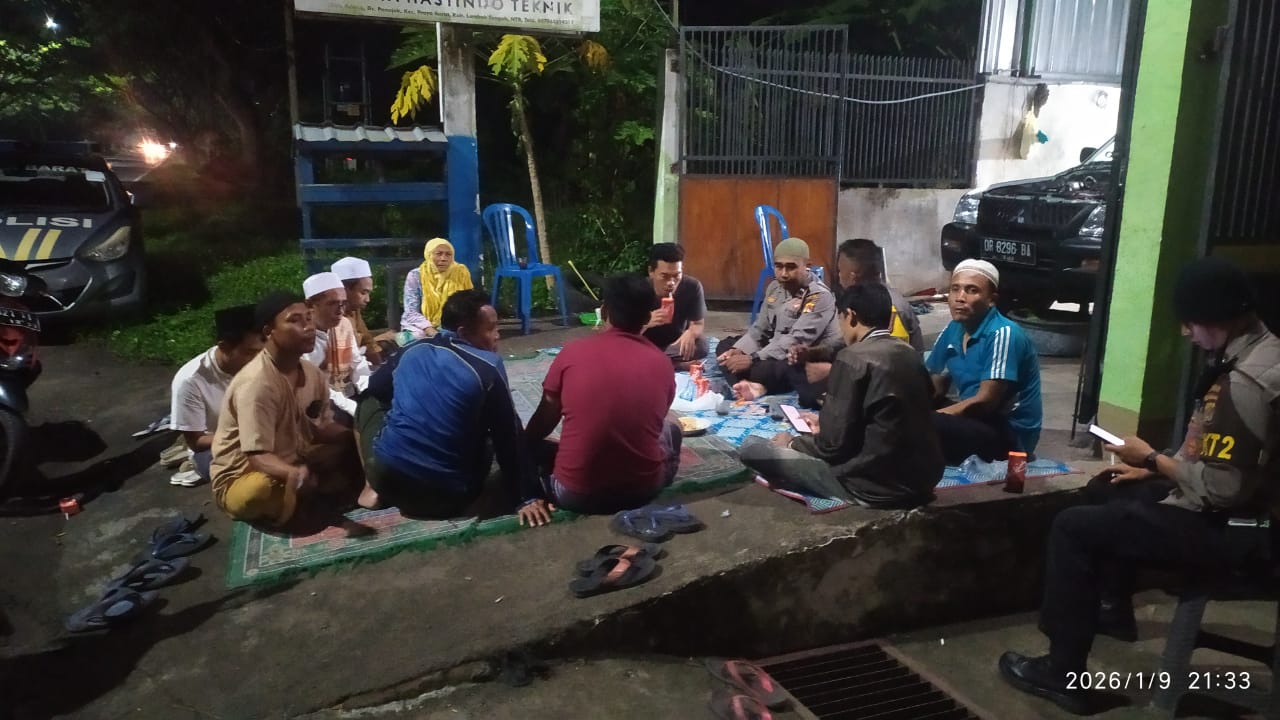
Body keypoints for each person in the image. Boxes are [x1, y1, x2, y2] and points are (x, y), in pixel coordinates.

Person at [998, 257, 1280, 715]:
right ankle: (1110, 611)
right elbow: (1219, 458)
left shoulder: (1245, 383)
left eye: (1191, 322)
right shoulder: (1260, 350)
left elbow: (1222, 490)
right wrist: (1152, 471)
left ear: (1218, 317)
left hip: (1244, 530)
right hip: (1244, 510)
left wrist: (1152, 458)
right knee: (1107, 487)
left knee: (1074, 528)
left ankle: (1062, 672)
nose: (1186, 333)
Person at [355, 289, 552, 525]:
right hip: (450, 498)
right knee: (491, 430)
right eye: (490, 329)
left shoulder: (412, 349)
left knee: (367, 399)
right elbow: (508, 435)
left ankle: (370, 487)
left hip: (387, 481)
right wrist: (526, 496)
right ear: (463, 333)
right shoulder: (488, 366)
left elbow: (377, 387)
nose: (497, 335)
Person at [740, 284, 943, 508]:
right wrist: (826, 422)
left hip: (873, 485)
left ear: (850, 316)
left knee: (752, 447)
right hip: (924, 479)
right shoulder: (910, 353)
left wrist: (792, 443)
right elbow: (889, 416)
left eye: (840, 319)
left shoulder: (851, 358)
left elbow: (831, 447)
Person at [526, 275, 683, 514]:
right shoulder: (662, 362)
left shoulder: (572, 353)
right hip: (644, 491)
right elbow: (654, 419)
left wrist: (524, 447)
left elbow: (544, 420)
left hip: (574, 496)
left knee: (536, 449)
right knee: (673, 425)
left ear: (605, 310)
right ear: (647, 317)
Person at [209, 291, 363, 528]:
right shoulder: (256, 384)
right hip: (248, 473)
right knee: (257, 491)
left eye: (309, 318)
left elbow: (321, 427)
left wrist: (357, 434)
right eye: (295, 320)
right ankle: (301, 495)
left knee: (354, 443)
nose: (308, 327)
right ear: (268, 331)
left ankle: (308, 491)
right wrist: (292, 473)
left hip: (297, 457)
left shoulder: (312, 374)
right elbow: (258, 456)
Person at [925, 259, 1042, 463]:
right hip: (977, 419)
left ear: (991, 300)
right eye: (955, 289)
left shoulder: (1003, 333)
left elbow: (986, 402)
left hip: (1009, 432)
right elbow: (935, 388)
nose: (960, 298)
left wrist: (927, 420)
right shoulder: (953, 329)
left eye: (972, 290)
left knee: (926, 427)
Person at [785, 238, 924, 407]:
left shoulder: (890, 305)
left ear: (852, 276)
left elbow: (890, 365)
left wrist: (832, 372)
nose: (838, 277)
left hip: (892, 392)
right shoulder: (860, 299)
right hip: (863, 372)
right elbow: (842, 343)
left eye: (839, 271)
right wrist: (811, 353)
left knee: (813, 392)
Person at [715, 237, 841, 401]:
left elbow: (795, 340)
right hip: (774, 348)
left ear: (807, 266)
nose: (783, 274)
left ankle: (748, 382)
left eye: (791, 267)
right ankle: (752, 384)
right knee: (725, 347)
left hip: (801, 356)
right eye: (779, 266)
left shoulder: (819, 296)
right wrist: (739, 350)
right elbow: (760, 328)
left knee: (779, 369)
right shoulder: (775, 287)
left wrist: (753, 358)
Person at [168, 304, 262, 485]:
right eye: (249, 352)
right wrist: (246, 438)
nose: (258, 358)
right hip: (220, 446)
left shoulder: (263, 363)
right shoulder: (190, 380)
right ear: (224, 347)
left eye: (261, 351)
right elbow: (196, 442)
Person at [303, 271, 370, 418]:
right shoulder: (302, 336)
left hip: (347, 395)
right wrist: (353, 408)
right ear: (310, 305)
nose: (340, 310)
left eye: (343, 303)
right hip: (319, 403)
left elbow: (357, 363)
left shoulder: (343, 325)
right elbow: (315, 386)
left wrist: (370, 390)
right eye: (333, 303)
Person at [640, 242, 708, 365]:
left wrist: (691, 333)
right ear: (651, 271)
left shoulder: (692, 286)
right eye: (664, 276)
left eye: (677, 275)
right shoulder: (638, 290)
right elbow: (623, 333)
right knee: (625, 350)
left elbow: (698, 323)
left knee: (702, 346)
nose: (671, 282)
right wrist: (646, 322)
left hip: (675, 343)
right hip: (645, 343)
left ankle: (656, 361)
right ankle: (673, 364)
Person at [401, 238, 474, 338]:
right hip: (420, 325)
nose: (443, 258)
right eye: (439, 254)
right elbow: (411, 311)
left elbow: (469, 303)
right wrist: (430, 329)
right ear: (429, 255)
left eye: (448, 254)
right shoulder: (415, 275)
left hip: (451, 323)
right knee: (418, 336)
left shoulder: (460, 272)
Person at [331, 256, 384, 366]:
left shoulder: (354, 311)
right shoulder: (330, 319)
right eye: (363, 293)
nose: (368, 299)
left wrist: (381, 368)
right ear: (344, 289)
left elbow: (368, 343)